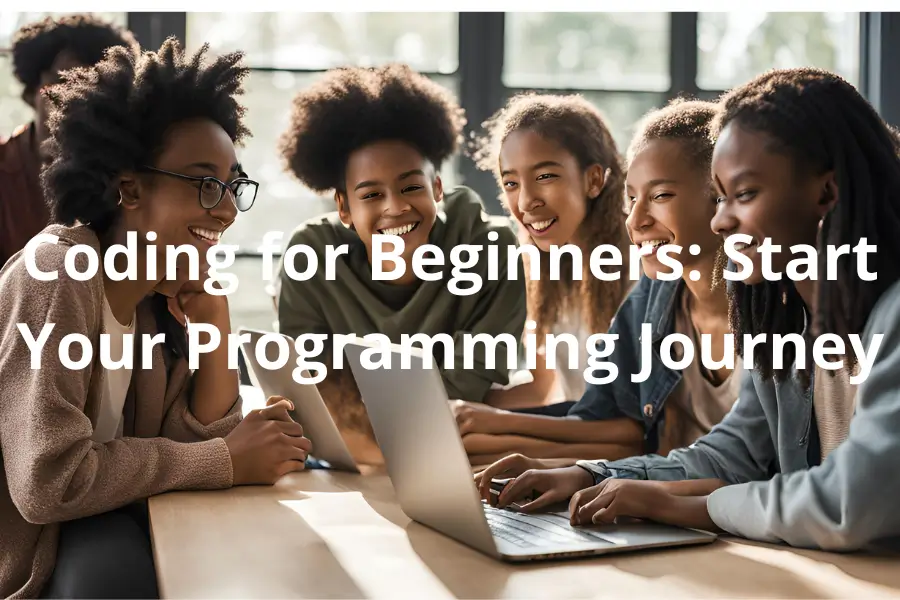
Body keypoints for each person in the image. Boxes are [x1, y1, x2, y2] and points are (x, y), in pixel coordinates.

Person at [481, 68, 900, 554]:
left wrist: (694, 505)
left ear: (826, 193)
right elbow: (734, 453)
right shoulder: (786, 319)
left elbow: (851, 503)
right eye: (720, 198)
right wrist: (587, 475)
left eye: (743, 195)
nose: (721, 220)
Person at [0, 39, 312, 598]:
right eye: (205, 182)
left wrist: (215, 329)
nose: (224, 208)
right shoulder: (59, 271)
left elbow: (191, 440)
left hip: (93, 548)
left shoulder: (150, 301)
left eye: (233, 185)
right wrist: (222, 459)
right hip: (27, 576)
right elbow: (49, 480)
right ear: (129, 188)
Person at [458, 97, 740, 466]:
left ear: (594, 179)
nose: (526, 201)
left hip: (659, 471)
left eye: (544, 176)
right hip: (652, 471)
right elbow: (579, 402)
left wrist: (498, 427)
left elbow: (628, 434)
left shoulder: (646, 269)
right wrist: (469, 416)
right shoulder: (550, 269)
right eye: (510, 183)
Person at [274, 64, 527, 465]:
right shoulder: (311, 255)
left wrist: (359, 412)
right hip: (345, 465)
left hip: (447, 461)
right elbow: (314, 397)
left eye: (411, 187)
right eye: (371, 195)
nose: (395, 207)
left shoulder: (490, 248)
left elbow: (463, 394)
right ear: (343, 206)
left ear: (438, 188)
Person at [0, 14, 139, 268]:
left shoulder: (125, 181)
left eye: (96, 87)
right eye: (63, 82)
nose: (79, 99)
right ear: (32, 92)